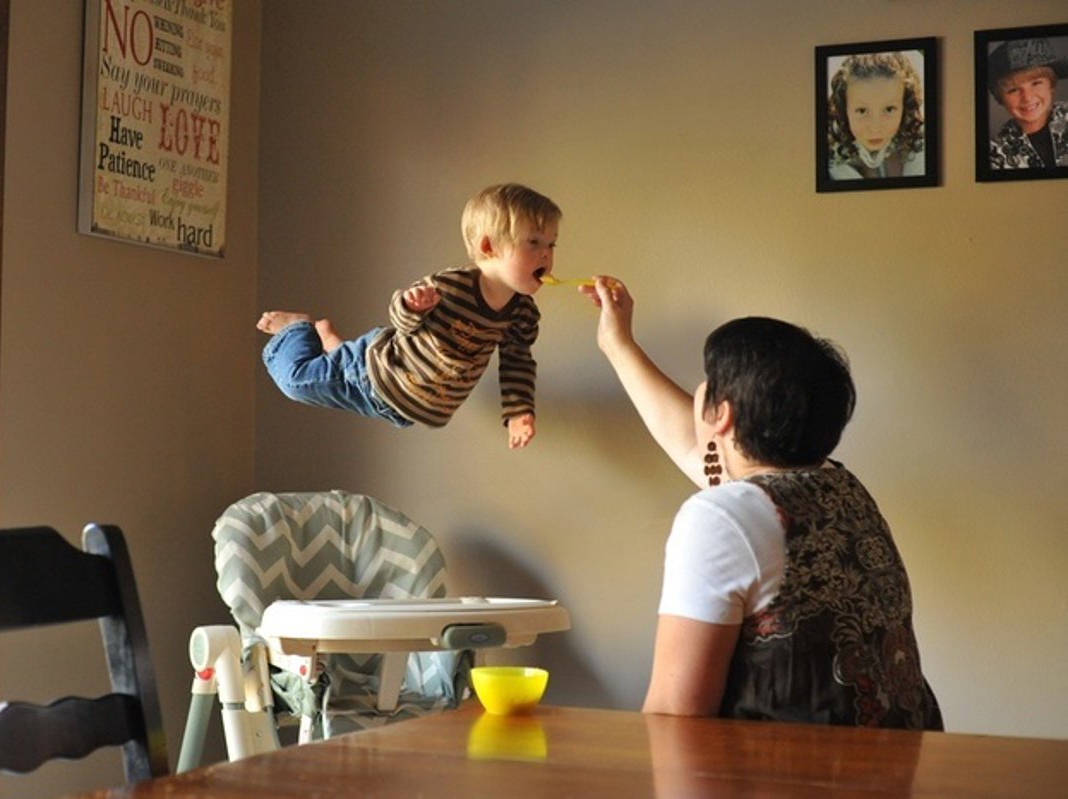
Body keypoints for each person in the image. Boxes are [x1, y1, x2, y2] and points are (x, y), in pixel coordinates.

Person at [579, 277, 943, 730]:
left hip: (793, 768)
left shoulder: (720, 519)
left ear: (723, 414)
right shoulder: (838, 486)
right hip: (898, 763)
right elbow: (701, 450)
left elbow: (676, 714)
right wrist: (617, 345)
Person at [257, 183, 560, 449]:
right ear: (488, 246)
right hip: (375, 372)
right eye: (534, 242)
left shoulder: (522, 313)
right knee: (296, 382)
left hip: (398, 407)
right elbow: (400, 322)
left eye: (551, 244)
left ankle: (333, 344)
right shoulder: (451, 286)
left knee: (336, 378)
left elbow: (517, 362)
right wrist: (412, 307)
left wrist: (519, 412)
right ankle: (297, 328)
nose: (546, 254)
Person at [827, 52, 926, 179]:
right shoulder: (826, 158)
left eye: (889, 109)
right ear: (843, 109)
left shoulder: (922, 148)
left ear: (905, 107)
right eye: (862, 111)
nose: (875, 127)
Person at [986, 37, 1068, 169]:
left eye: (1036, 83)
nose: (1027, 98)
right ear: (1001, 99)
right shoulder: (995, 153)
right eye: (1013, 90)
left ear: (1051, 86)